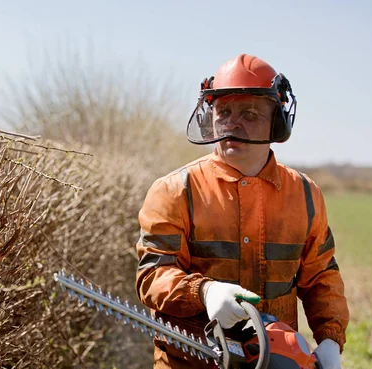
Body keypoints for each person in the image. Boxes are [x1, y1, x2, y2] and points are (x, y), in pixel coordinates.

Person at [135, 54, 349, 369]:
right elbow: (152, 276)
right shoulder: (175, 190)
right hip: (191, 360)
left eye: (249, 113)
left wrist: (330, 339)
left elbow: (321, 276)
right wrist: (204, 293)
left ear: (276, 120)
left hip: (274, 359)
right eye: (224, 111)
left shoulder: (305, 194)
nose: (233, 123)